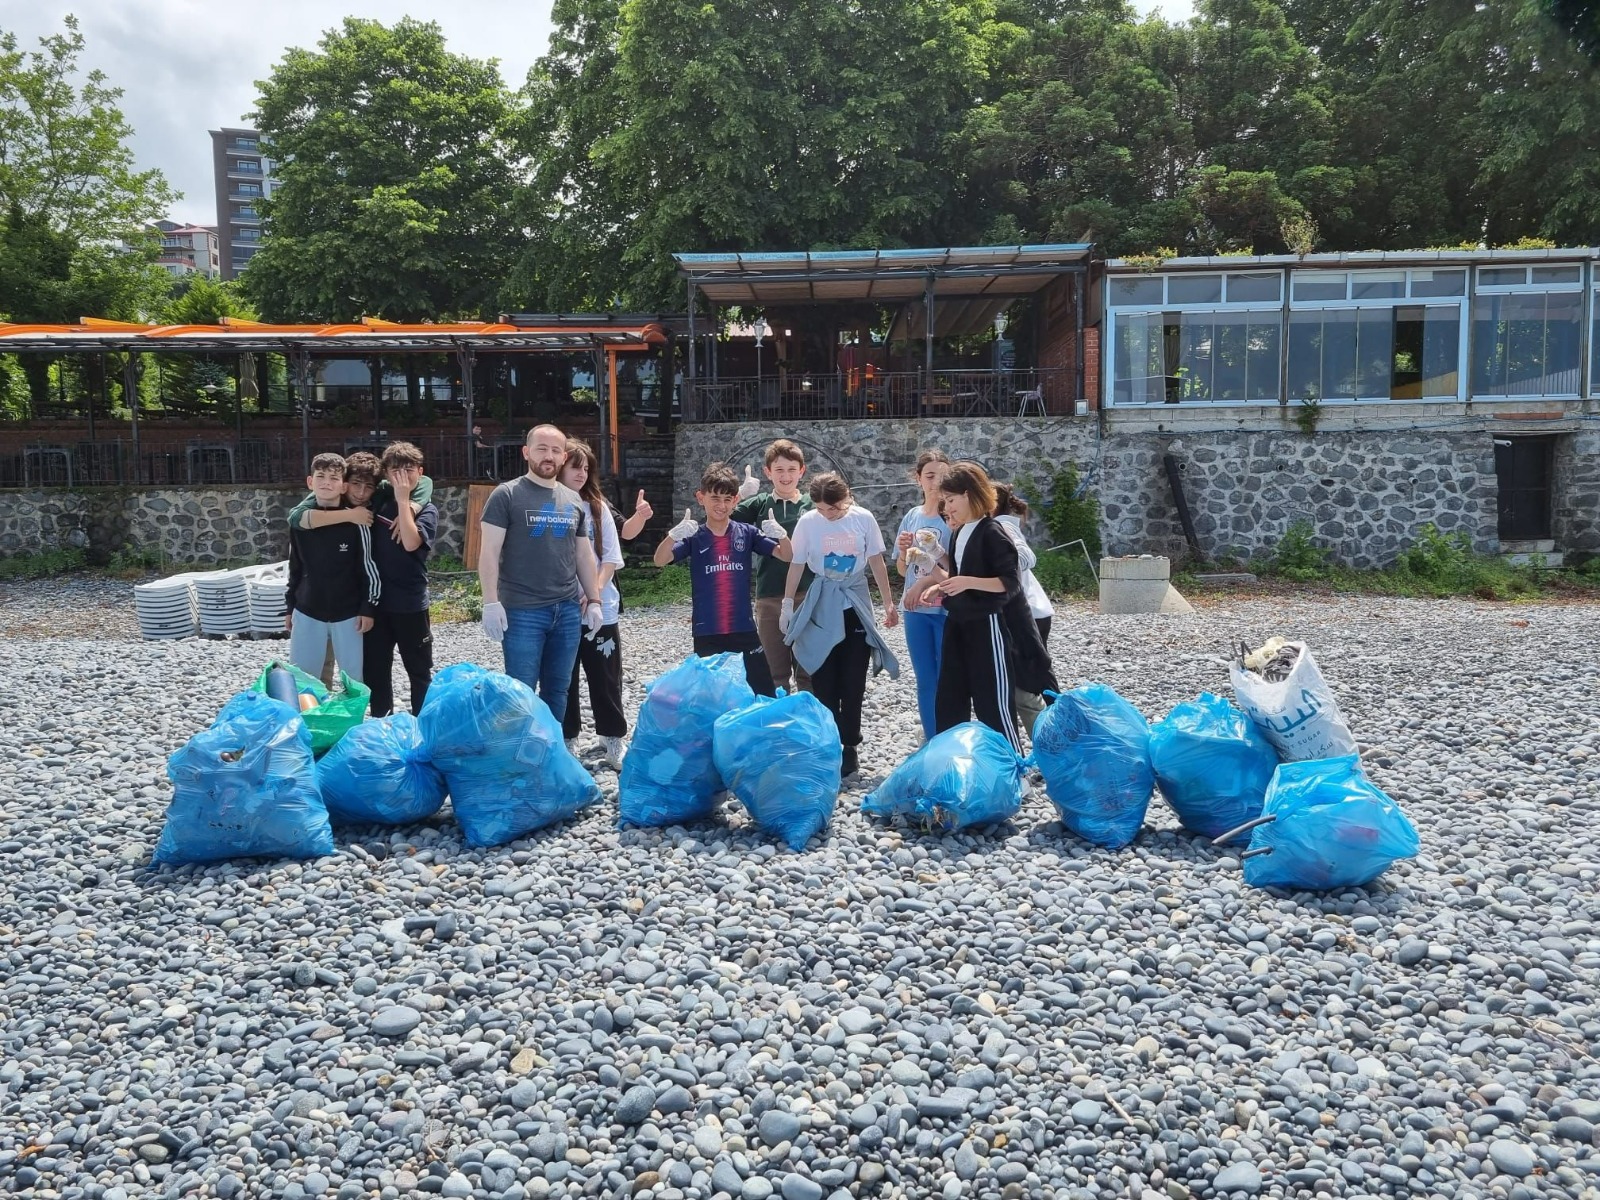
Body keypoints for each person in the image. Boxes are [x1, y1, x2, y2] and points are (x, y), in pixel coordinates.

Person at [478, 424, 605, 725]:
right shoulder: (506, 495)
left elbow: (583, 554)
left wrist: (596, 600)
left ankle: (549, 756)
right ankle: (519, 759)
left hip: (567, 611)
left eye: (555, 450)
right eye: (542, 449)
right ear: (526, 452)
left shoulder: (574, 500)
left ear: (563, 457)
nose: (549, 456)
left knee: (558, 691)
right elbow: (488, 553)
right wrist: (490, 602)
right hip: (522, 612)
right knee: (520, 692)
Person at [781, 472, 900, 779]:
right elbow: (796, 562)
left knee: (853, 680)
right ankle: (829, 741)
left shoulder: (863, 518)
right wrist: (787, 602)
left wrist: (887, 602)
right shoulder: (808, 522)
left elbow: (875, 560)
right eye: (821, 509)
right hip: (823, 599)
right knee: (823, 677)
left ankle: (850, 745)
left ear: (847, 498)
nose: (828, 515)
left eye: (833, 509)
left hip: (854, 599)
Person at [654, 462, 793, 696]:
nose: (721, 505)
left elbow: (786, 555)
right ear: (701, 498)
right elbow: (660, 560)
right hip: (707, 631)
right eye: (715, 498)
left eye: (728, 499)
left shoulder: (746, 532)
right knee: (714, 696)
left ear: (736, 501)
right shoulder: (694, 536)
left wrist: (783, 535)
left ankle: (757, 732)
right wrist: (671, 536)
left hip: (743, 628)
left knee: (763, 692)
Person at [920, 461, 1023, 750]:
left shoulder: (993, 531)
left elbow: (1009, 582)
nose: (947, 508)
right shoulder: (959, 532)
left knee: (993, 701)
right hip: (956, 622)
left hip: (986, 623)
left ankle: (1014, 770)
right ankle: (950, 766)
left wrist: (966, 582)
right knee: (950, 697)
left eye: (951, 500)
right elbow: (961, 575)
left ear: (969, 494)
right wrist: (941, 587)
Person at [559, 439, 628, 769]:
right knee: (564, 678)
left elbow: (611, 559)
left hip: (603, 608)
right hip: (559, 608)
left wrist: (594, 593)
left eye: (586, 468)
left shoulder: (598, 507)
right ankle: (568, 738)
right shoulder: (547, 506)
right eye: (576, 467)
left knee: (606, 676)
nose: (582, 474)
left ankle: (613, 737)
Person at [285, 452, 380, 684]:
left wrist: (367, 608)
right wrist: (290, 606)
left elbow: (368, 568)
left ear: (343, 486)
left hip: (349, 613)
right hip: (308, 609)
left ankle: (353, 720)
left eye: (334, 478)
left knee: (353, 679)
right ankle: (310, 720)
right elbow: (294, 566)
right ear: (310, 482)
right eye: (320, 476)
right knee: (303, 679)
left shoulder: (359, 522)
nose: (326, 482)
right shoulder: (300, 522)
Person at [360, 441, 438, 718]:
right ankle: (383, 720)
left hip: (411, 603)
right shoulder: (379, 499)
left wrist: (406, 503)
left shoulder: (426, 509)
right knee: (377, 669)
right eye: (395, 470)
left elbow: (409, 543)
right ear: (386, 474)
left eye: (408, 470)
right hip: (377, 602)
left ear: (419, 471)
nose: (402, 477)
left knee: (418, 670)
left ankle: (421, 726)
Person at [731, 440, 815, 694]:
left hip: (808, 594)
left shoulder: (812, 505)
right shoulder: (758, 505)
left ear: (802, 471)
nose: (785, 476)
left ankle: (808, 725)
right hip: (769, 595)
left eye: (791, 469)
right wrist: (739, 496)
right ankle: (777, 726)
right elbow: (719, 519)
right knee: (773, 671)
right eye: (779, 470)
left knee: (809, 669)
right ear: (768, 472)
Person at [992, 483, 1059, 738]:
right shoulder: (1000, 525)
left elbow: (1027, 558)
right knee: (1035, 680)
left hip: (1027, 614)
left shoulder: (1003, 526)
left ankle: (1053, 743)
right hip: (1031, 611)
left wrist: (1000, 570)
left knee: (1027, 688)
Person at [893, 449, 951, 740]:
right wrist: (904, 552)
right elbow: (903, 571)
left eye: (942, 475)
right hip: (915, 611)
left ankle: (950, 734)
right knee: (925, 679)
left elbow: (957, 567)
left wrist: (929, 577)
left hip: (947, 609)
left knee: (949, 677)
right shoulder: (912, 517)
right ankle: (932, 737)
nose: (936, 482)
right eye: (930, 476)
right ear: (918, 479)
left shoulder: (953, 517)